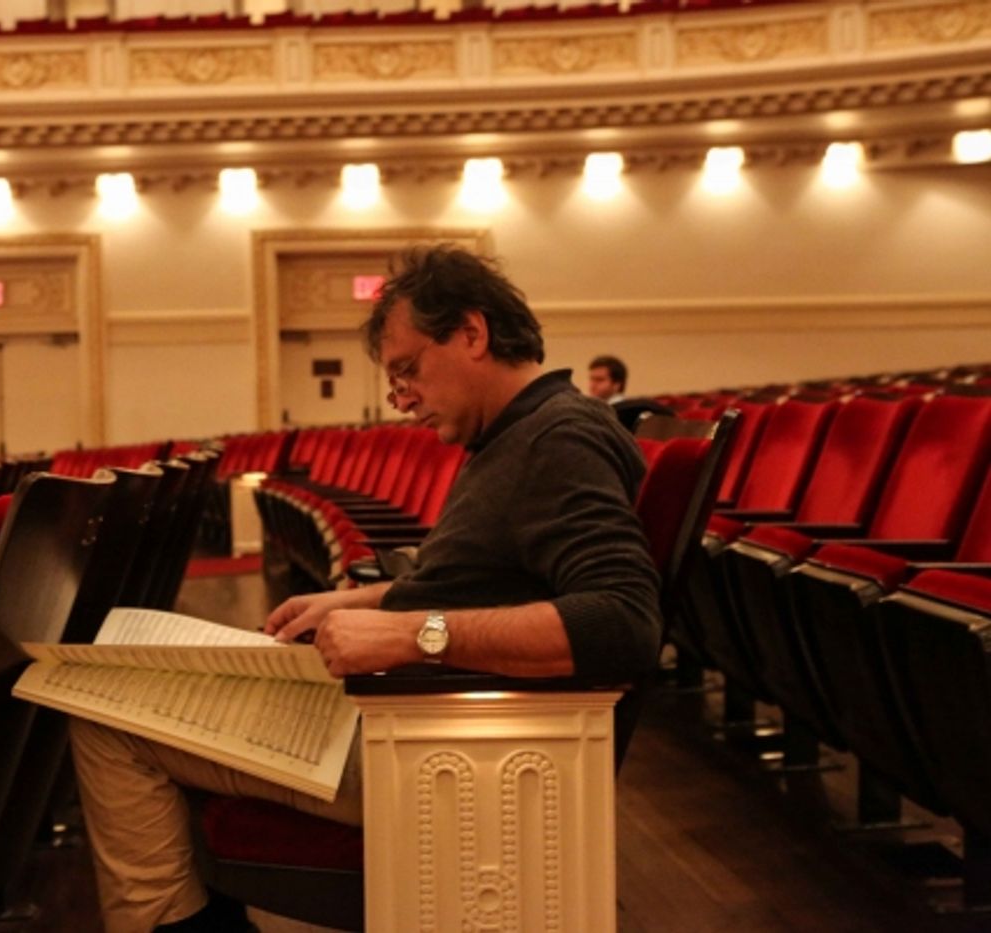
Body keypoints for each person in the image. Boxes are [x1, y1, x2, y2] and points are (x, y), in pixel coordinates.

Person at [68, 245, 662, 932]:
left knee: (107, 720)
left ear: (472, 333)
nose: (399, 395)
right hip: (410, 720)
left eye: (408, 369)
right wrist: (361, 600)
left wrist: (412, 632)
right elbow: (484, 583)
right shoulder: (512, 437)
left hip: (437, 745)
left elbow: (621, 622)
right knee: (120, 688)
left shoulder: (557, 440)